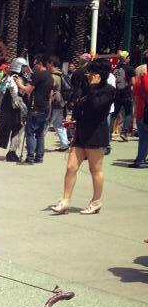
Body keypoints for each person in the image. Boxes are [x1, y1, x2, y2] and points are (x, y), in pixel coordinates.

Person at [50, 59, 115, 215]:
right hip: (81, 133)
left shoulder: (109, 90)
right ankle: (65, 201)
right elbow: (79, 106)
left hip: (96, 134)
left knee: (95, 169)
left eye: (92, 72)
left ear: (100, 74)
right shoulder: (86, 88)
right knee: (71, 167)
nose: (89, 75)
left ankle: (96, 201)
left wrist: (92, 88)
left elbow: (96, 106)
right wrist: (73, 117)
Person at [21, 54, 53, 164]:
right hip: (45, 107)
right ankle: (39, 157)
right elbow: (50, 94)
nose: (34, 66)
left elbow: (28, 90)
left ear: (40, 63)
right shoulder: (49, 76)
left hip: (35, 108)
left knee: (30, 132)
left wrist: (19, 84)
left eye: (35, 64)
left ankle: (30, 157)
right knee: (39, 133)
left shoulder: (38, 75)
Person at [0, 57, 29, 161]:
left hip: (11, 108)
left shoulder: (10, 77)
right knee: (17, 130)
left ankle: (12, 152)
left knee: (16, 130)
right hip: (14, 109)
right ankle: (11, 153)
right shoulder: (15, 78)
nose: (25, 69)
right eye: (24, 66)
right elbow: (19, 94)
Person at [46, 55, 70, 152]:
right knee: (58, 125)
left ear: (51, 63)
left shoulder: (53, 76)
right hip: (61, 103)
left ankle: (36, 144)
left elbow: (49, 90)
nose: (46, 65)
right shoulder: (62, 74)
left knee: (46, 124)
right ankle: (65, 144)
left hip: (54, 103)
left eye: (48, 63)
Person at [112, 51, 135, 141]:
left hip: (117, 94)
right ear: (126, 58)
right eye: (128, 57)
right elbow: (133, 82)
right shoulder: (130, 69)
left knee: (115, 113)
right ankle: (124, 133)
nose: (129, 59)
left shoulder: (116, 68)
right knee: (128, 113)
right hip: (126, 93)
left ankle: (108, 133)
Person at [131, 52, 148, 169]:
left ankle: (140, 159)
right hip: (145, 112)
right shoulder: (145, 78)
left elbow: (135, 95)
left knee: (143, 138)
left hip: (141, 111)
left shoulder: (139, 79)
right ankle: (140, 160)